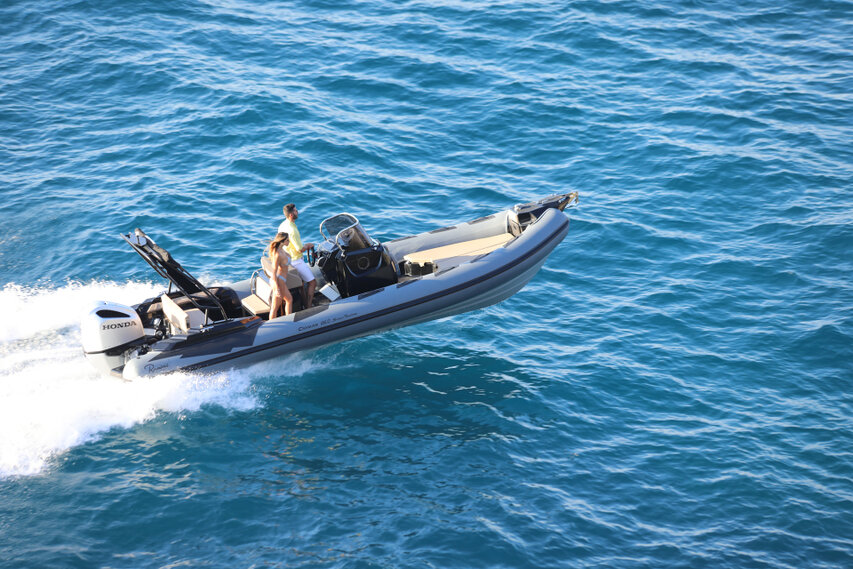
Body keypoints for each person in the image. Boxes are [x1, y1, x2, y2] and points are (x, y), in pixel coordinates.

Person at [278, 203, 316, 307]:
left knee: (301, 284)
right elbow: (300, 250)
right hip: (296, 261)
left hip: (288, 259)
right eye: (295, 210)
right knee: (312, 283)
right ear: (291, 215)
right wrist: (308, 245)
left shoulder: (282, 225)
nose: (297, 211)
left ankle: (304, 303)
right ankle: (309, 306)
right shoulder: (292, 230)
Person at [268, 232, 293, 318]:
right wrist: (276, 288)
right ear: (282, 241)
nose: (289, 241)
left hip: (282, 279)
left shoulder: (282, 249)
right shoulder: (277, 254)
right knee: (278, 305)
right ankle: (288, 321)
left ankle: (288, 320)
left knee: (281, 303)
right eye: (287, 240)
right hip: (279, 280)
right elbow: (273, 272)